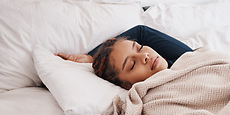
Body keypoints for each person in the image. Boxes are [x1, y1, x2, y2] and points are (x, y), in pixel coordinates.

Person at [58, 25, 192, 89]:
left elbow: (141, 31)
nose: (144, 55)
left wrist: (91, 57)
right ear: (126, 86)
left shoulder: (187, 59)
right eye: (132, 65)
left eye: (139, 47)